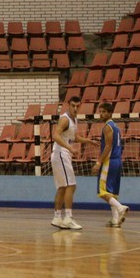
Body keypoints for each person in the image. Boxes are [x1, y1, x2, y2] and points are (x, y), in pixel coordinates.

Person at [50, 96, 98, 230]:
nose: (75, 108)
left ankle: (57, 217)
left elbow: (74, 137)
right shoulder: (65, 119)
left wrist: (88, 141)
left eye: (77, 106)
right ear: (68, 105)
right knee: (71, 185)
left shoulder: (74, 120)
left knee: (62, 187)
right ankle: (68, 218)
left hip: (62, 155)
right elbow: (55, 135)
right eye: (73, 106)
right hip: (61, 154)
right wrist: (69, 148)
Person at [92, 102, 130, 228]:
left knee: (102, 191)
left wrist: (99, 162)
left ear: (110, 113)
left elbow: (108, 146)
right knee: (112, 192)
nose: (101, 114)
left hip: (109, 161)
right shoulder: (116, 127)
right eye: (100, 111)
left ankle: (120, 208)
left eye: (104, 112)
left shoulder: (107, 127)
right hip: (117, 160)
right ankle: (115, 219)